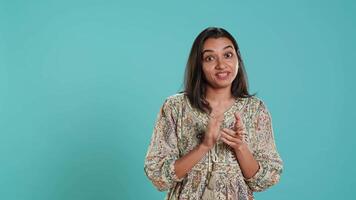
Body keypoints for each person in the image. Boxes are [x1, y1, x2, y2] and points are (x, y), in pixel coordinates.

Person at [144, 27, 283, 200]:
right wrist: (204, 146)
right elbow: (158, 177)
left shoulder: (255, 110)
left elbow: (266, 180)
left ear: (238, 59)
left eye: (228, 55)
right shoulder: (175, 107)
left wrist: (240, 147)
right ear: (199, 64)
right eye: (210, 58)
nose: (221, 65)